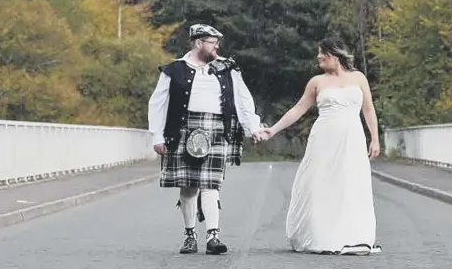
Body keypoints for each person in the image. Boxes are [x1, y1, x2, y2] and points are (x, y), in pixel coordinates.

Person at [255, 38, 382, 255]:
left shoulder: (358, 78)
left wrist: (375, 138)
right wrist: (272, 130)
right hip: (324, 139)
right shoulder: (316, 82)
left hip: (352, 139)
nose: (319, 57)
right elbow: (297, 110)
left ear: (335, 55)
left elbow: (368, 110)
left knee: (351, 183)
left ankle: (354, 236)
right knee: (322, 183)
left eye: (322, 53)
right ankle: (322, 233)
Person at [148, 23, 262, 255]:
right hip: (182, 129)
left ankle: (213, 236)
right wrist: (158, 136)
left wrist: (253, 128)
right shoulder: (174, 70)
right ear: (198, 43)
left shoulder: (228, 68)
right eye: (212, 42)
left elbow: (243, 99)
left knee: (211, 184)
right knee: (188, 186)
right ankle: (190, 236)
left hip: (216, 128)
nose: (217, 46)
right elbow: (157, 104)